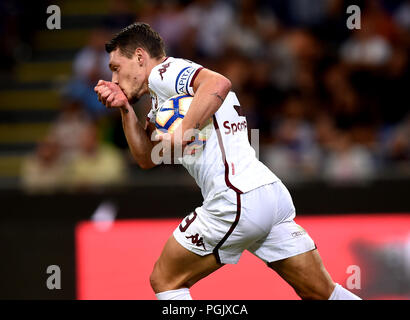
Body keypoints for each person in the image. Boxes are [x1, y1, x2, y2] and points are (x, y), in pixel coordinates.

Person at [94, 22, 361, 300]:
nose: (114, 79)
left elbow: (218, 82)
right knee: (322, 293)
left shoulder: (165, 72)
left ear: (140, 57)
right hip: (268, 193)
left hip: (234, 198)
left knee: (165, 280)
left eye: (116, 67)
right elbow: (146, 158)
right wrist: (126, 110)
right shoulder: (164, 99)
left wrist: (185, 131)